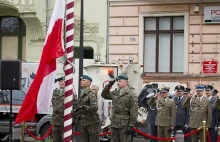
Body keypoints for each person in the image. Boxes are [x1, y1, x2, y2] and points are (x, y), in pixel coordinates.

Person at [101, 75, 138, 142]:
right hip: (114, 122)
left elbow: (134, 111)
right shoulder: (115, 93)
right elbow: (104, 94)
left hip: (125, 124)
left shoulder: (131, 94)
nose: (118, 83)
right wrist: (110, 84)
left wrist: (131, 125)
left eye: (120, 81)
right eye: (117, 81)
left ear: (125, 82)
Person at [77, 75, 99, 142]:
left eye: (83, 80)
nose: (81, 81)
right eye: (81, 80)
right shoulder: (82, 94)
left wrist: (84, 107)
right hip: (83, 122)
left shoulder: (91, 94)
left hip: (91, 123)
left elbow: (94, 108)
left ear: (89, 82)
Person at [51, 76, 65, 142]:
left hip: (64, 121)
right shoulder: (55, 92)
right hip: (55, 120)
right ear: (59, 83)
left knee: (64, 139)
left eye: (64, 81)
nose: (62, 83)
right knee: (55, 139)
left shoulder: (70, 93)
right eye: (61, 81)